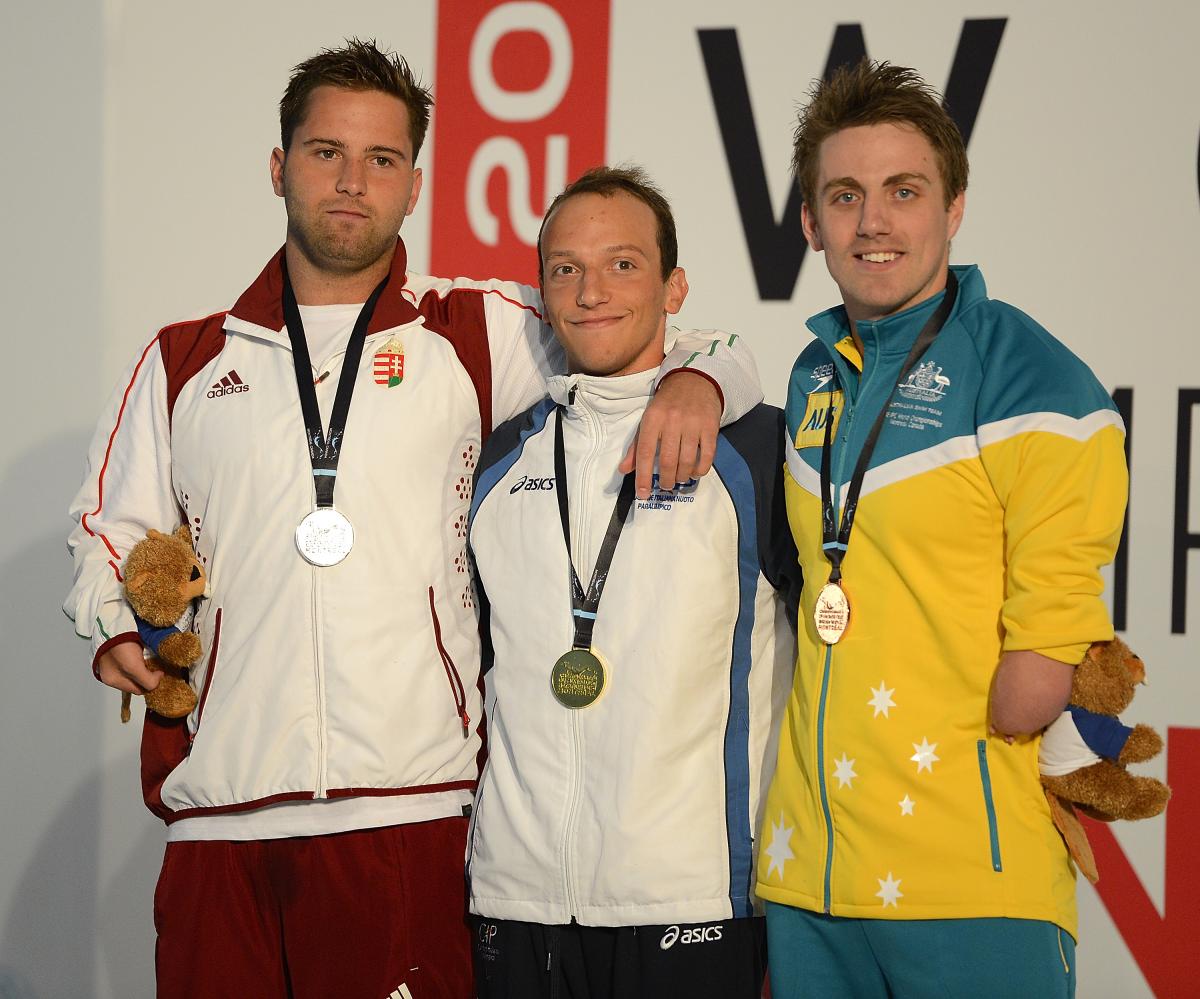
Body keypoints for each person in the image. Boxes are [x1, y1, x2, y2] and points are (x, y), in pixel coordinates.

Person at [64, 41, 760, 999]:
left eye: (382, 160)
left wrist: (696, 381)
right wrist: (114, 625)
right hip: (219, 819)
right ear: (278, 167)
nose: (353, 183)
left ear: (415, 184)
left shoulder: (473, 332)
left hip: (412, 811)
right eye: (324, 153)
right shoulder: (183, 360)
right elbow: (106, 529)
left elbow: (652, 327)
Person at [757, 60, 1127, 998]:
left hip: (969, 879)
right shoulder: (812, 375)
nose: (872, 222)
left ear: (954, 206)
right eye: (844, 196)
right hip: (811, 873)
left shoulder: (1031, 377)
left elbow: (1040, 668)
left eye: (903, 191)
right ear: (809, 223)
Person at [464, 165, 800, 998]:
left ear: (674, 284)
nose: (590, 292)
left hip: (692, 896)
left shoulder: (755, 449)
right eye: (565, 269)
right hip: (517, 895)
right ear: (541, 295)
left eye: (623, 264)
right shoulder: (497, 459)